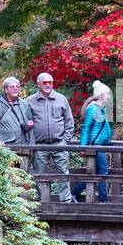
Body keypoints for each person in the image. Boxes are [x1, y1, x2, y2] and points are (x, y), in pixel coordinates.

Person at [27, 72, 76, 203]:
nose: (48, 85)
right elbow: (26, 124)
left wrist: (65, 141)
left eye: (50, 82)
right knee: (39, 174)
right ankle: (42, 201)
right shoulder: (30, 101)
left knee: (63, 173)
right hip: (39, 144)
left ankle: (65, 201)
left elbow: (69, 122)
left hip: (59, 143)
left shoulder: (61, 99)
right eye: (44, 82)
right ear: (38, 85)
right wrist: (32, 144)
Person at [72, 80, 113, 203]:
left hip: (100, 145)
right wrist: (83, 147)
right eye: (107, 94)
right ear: (101, 95)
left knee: (94, 173)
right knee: (103, 171)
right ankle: (103, 199)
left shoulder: (101, 108)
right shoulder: (93, 109)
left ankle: (74, 192)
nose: (109, 96)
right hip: (95, 145)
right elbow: (86, 128)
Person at [0, 76, 34, 145]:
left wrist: (31, 145)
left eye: (17, 87)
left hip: (24, 147)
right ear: (5, 90)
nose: (15, 88)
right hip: (6, 148)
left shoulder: (24, 104)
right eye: (12, 87)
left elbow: (31, 126)